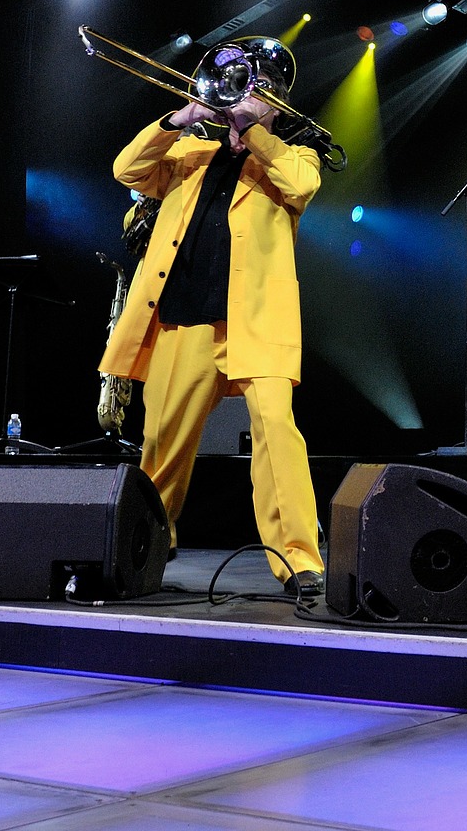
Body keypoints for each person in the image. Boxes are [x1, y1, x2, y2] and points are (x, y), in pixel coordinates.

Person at [97, 45, 329, 602]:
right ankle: (144, 546)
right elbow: (127, 170)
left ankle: (299, 561)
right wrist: (180, 117)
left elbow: (302, 187)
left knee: (277, 433)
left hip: (257, 321)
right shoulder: (189, 152)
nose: (247, 93)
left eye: (260, 87)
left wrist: (255, 133)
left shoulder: (295, 153)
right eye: (241, 83)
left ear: (276, 101)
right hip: (184, 321)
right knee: (161, 444)